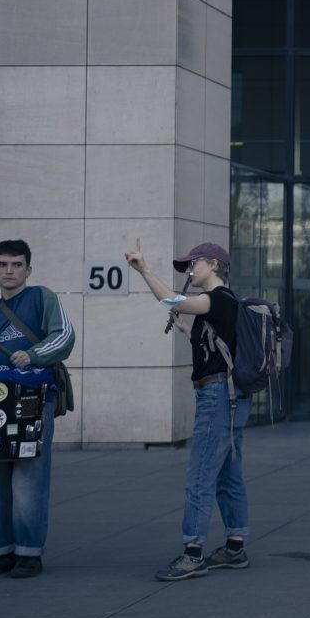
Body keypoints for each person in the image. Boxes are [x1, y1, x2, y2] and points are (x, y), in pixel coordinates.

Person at [127, 240, 255, 582]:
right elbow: (216, 345)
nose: (188, 270)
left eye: (193, 264)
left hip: (216, 396)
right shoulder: (226, 304)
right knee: (228, 473)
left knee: (200, 476)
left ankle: (192, 552)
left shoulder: (217, 298)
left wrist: (144, 270)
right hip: (231, 396)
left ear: (213, 264)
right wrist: (188, 331)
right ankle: (234, 546)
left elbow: (173, 300)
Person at [0, 240, 73, 579]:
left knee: (29, 477)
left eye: (16, 265)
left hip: (31, 399)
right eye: (3, 264)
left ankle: (28, 553)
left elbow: (64, 336)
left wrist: (33, 355)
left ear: (28, 270)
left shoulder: (43, 298)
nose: (9, 271)